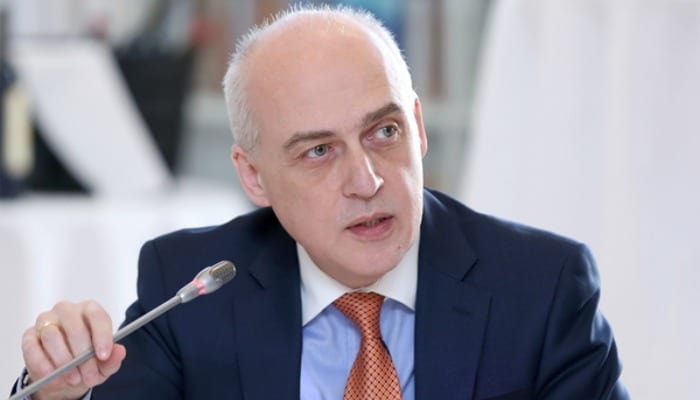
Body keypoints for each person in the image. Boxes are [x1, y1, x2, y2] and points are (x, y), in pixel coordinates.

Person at [13, 5, 629, 400]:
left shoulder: (542, 288)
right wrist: (56, 392)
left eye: (384, 131)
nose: (366, 180)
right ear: (254, 177)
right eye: (318, 151)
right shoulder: (193, 289)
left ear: (418, 127)